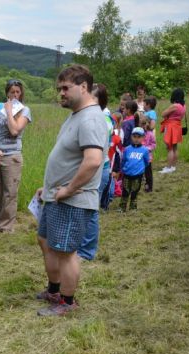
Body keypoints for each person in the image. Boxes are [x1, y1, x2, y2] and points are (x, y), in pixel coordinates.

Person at [35, 64, 108, 316]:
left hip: (72, 200)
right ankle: (54, 290)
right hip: (55, 196)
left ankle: (67, 302)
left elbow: (93, 160)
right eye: (60, 89)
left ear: (84, 87)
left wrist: (68, 190)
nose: (61, 93)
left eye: (66, 88)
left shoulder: (90, 118)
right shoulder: (77, 115)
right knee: (46, 242)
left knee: (66, 252)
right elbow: (68, 158)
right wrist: (48, 187)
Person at [0, 79, 32, 233]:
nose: (14, 95)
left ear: (21, 94)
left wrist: (9, 111)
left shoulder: (24, 110)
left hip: (11, 155)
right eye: (11, 91)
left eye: (17, 92)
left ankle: (6, 226)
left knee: (10, 192)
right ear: (6, 92)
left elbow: (14, 131)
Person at [78, 83, 114, 261]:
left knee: (91, 209)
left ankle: (86, 251)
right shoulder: (93, 117)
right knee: (87, 208)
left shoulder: (102, 119)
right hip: (98, 168)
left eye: (92, 96)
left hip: (100, 169)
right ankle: (83, 247)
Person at [118, 127, 150, 212]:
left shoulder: (145, 150)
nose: (136, 139)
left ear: (143, 137)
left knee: (135, 191)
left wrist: (141, 170)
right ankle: (122, 207)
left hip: (137, 175)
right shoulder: (127, 149)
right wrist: (122, 170)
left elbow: (146, 162)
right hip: (127, 174)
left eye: (139, 137)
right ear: (131, 137)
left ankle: (133, 208)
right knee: (125, 191)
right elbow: (124, 160)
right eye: (134, 136)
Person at [159, 88, 186, 174]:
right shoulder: (183, 106)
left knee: (169, 148)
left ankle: (168, 167)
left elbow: (163, 114)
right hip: (178, 126)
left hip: (170, 126)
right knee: (175, 147)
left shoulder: (174, 106)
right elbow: (181, 117)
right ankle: (173, 166)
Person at [140, 115, 156, 192]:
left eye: (144, 123)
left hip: (147, 157)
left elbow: (153, 144)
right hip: (138, 156)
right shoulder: (138, 133)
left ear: (148, 124)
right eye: (141, 124)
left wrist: (147, 148)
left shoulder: (150, 134)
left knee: (148, 173)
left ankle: (149, 186)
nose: (142, 126)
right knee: (138, 172)